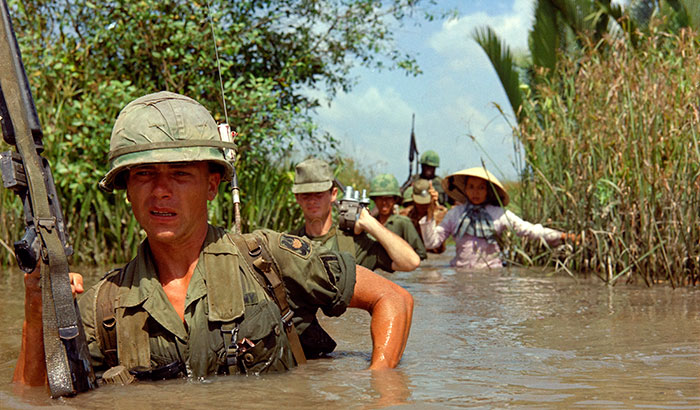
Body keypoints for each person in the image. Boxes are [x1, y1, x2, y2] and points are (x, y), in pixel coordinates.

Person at [13, 92, 413, 388]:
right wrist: (37, 309)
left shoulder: (267, 259)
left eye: (181, 174)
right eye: (144, 175)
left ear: (212, 185)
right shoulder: (103, 306)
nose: (161, 191)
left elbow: (393, 298)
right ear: (127, 190)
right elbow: (32, 396)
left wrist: (382, 389)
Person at [420, 166, 575, 269]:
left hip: (491, 274)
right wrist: (429, 210)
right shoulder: (455, 214)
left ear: (488, 191)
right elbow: (431, 242)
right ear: (465, 189)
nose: (476, 192)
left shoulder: (498, 214)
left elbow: (529, 230)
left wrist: (562, 236)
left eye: (481, 187)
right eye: (471, 187)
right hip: (460, 274)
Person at [291, 158, 420, 273]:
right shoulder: (288, 243)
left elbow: (410, 262)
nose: (312, 201)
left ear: (333, 194)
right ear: (297, 198)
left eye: (319, 194)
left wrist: (370, 223)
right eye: (306, 195)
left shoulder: (356, 244)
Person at [368, 174, 426, 261]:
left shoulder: (403, 223)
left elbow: (420, 253)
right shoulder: (369, 223)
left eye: (388, 198)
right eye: (380, 198)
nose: (384, 203)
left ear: (395, 200)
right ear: (374, 199)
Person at [400, 179, 447, 254]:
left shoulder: (442, 215)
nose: (423, 205)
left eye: (425, 201)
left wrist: (431, 209)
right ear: (413, 197)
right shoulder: (404, 216)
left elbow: (437, 247)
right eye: (420, 202)